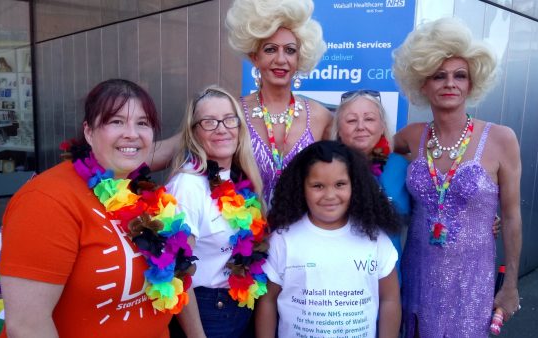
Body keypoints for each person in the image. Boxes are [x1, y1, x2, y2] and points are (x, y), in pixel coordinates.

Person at [0, 79, 196, 337]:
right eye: (116, 121)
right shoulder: (46, 200)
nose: (132, 133)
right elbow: (27, 326)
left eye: (143, 123)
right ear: (89, 132)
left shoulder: (146, 195)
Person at [391, 17, 522, 337]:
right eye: (439, 76)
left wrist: (510, 286)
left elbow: (511, 215)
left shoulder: (501, 139)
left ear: (472, 83)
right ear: (423, 83)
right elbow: (362, 150)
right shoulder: (410, 137)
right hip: (419, 271)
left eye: (459, 75)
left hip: (471, 279)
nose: (450, 83)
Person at [256, 140, 401, 338]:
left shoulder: (375, 238)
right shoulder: (283, 240)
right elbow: (268, 301)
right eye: (318, 186)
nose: (330, 195)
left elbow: (390, 299)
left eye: (340, 184)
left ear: (354, 185)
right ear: (302, 187)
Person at [165, 85, 268, 337]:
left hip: (239, 306)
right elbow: (176, 272)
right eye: (209, 122)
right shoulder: (187, 186)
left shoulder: (238, 179)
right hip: (206, 312)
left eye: (229, 120)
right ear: (194, 133)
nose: (221, 128)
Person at [225, 0, 333, 205]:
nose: (281, 59)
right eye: (271, 49)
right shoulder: (233, 111)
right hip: (244, 231)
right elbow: (187, 144)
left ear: (299, 59)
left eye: (290, 50)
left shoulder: (321, 116)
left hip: (301, 232)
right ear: (255, 57)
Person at [332, 89, 411, 282]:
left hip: (386, 282)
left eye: (369, 119)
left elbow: (428, 213)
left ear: (382, 126)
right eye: (351, 120)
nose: (361, 127)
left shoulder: (402, 167)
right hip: (335, 281)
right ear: (339, 131)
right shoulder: (327, 168)